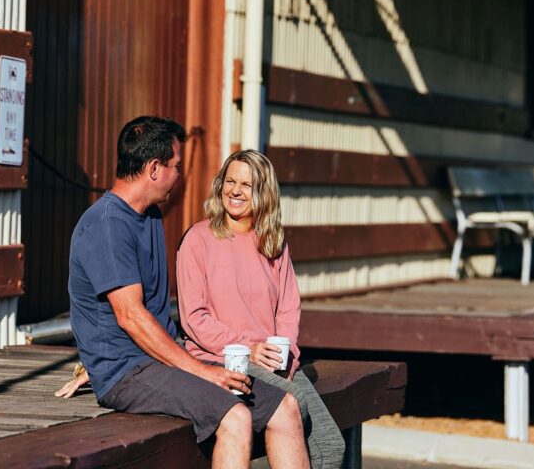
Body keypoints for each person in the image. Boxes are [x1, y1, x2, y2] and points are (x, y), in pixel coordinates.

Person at [66, 116, 309, 469]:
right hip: (129, 373)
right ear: (154, 168)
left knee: (285, 407)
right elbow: (130, 316)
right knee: (235, 416)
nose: (180, 175)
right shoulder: (107, 226)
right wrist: (203, 370)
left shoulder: (147, 215)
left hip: (162, 359)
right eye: (176, 166)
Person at [176, 149, 345, 469]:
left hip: (272, 360)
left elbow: (289, 307)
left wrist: (287, 353)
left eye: (246, 184)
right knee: (294, 408)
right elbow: (194, 318)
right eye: (230, 181)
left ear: (263, 192)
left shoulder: (273, 241)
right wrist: (249, 349)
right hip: (225, 357)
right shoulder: (198, 240)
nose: (235, 191)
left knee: (331, 446)